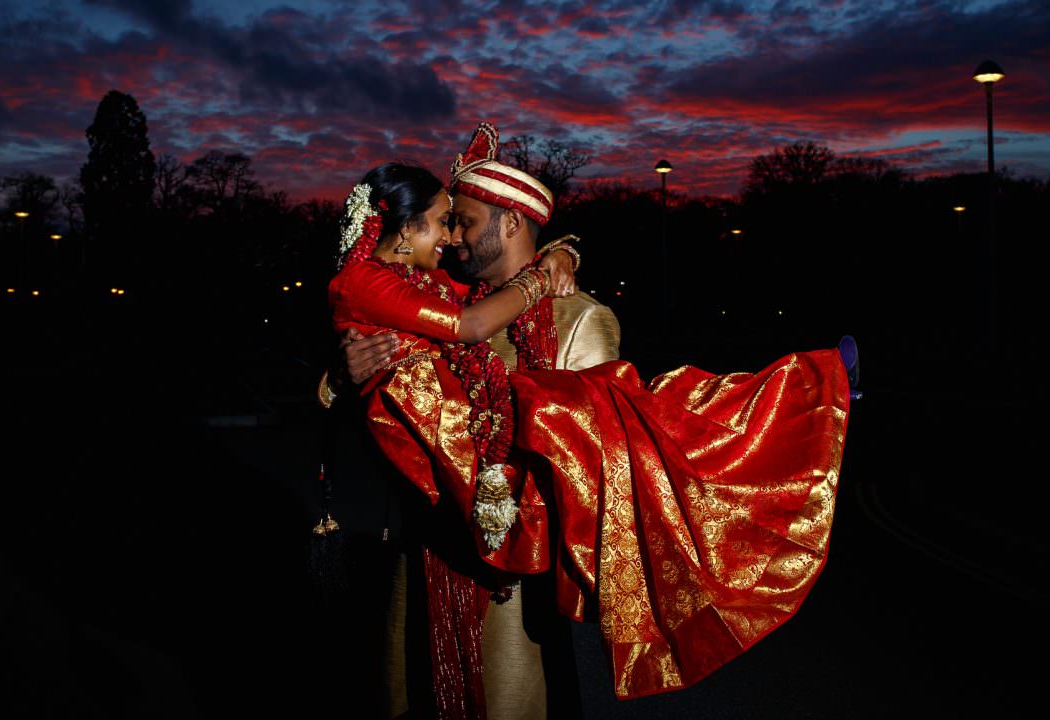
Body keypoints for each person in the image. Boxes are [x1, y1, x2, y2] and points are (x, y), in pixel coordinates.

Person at [329, 126, 851, 717]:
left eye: (465, 222)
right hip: (418, 562)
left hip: (511, 584)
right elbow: (382, 403)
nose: (451, 239)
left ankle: (799, 392)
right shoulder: (441, 302)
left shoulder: (578, 317)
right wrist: (342, 378)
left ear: (510, 224)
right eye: (447, 223)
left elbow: (608, 451)